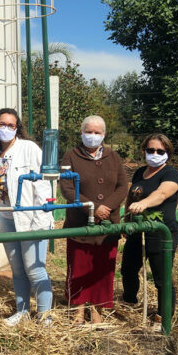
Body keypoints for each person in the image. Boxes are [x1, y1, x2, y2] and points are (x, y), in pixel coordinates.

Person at [0, 108, 54, 326]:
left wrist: (42, 219)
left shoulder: (28, 148)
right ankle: (22, 311)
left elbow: (43, 184)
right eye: (1, 124)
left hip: (30, 217)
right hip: (5, 217)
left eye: (10, 125)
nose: (5, 129)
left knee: (35, 269)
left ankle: (45, 316)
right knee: (17, 269)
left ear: (17, 128)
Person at [60, 115, 128, 324]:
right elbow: (67, 188)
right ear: (81, 133)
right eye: (89, 131)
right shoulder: (71, 156)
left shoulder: (113, 156)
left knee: (102, 268)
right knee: (79, 265)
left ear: (104, 135)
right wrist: (93, 207)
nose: (93, 136)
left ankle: (97, 309)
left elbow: (122, 186)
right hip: (81, 221)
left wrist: (107, 207)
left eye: (97, 132)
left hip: (109, 222)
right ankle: (79, 309)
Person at [121, 134, 178, 320]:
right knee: (128, 269)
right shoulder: (140, 172)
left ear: (167, 153)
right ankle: (129, 301)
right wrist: (126, 219)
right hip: (137, 230)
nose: (154, 154)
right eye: (150, 150)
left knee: (161, 277)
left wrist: (145, 203)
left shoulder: (171, 174)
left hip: (161, 233)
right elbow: (132, 197)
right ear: (144, 151)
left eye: (160, 151)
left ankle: (164, 316)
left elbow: (162, 193)